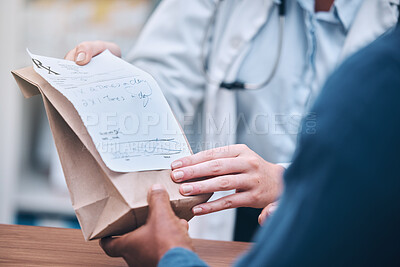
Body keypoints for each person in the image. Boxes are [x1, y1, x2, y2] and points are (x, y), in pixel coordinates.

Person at [65, 0, 399, 241]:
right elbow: (167, 81)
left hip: (345, 221)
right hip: (225, 216)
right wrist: (121, 86)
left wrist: (287, 178)